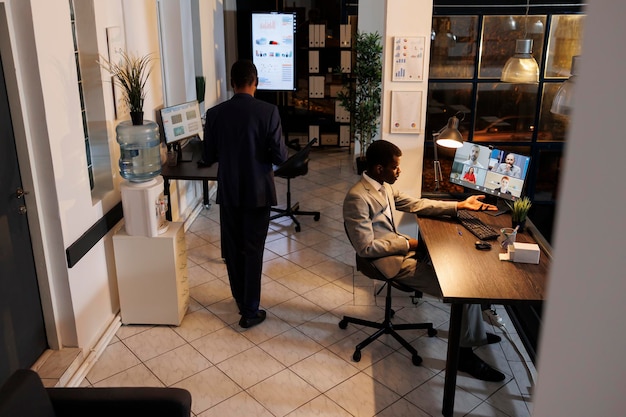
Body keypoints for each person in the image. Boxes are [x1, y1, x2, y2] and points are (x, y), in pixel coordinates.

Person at [343, 140, 505, 382]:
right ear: (379, 168)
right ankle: (463, 354)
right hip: (384, 261)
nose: (399, 171)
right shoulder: (357, 197)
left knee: (463, 271)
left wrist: (459, 206)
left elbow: (416, 204)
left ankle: (472, 333)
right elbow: (366, 248)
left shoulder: (383, 186)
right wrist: (409, 243)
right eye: (395, 167)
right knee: (464, 289)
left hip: (397, 250)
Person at [202, 60, 288, 329]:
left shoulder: (215, 114)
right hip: (258, 192)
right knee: (253, 250)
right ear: (256, 82)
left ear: (231, 83)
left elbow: (207, 156)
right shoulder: (269, 112)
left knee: (233, 248)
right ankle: (250, 311)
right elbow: (280, 156)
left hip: (228, 191)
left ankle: (240, 299)